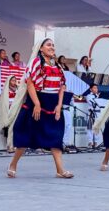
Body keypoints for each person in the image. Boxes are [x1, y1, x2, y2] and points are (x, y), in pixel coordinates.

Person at [7, 39, 74, 179]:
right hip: (37, 101)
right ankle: (13, 164)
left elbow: (62, 87)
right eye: (49, 45)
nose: (52, 47)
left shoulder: (58, 66)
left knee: (56, 137)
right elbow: (30, 83)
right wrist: (37, 104)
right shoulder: (36, 62)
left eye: (53, 45)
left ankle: (60, 170)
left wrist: (59, 106)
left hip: (53, 104)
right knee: (26, 136)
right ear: (41, 48)